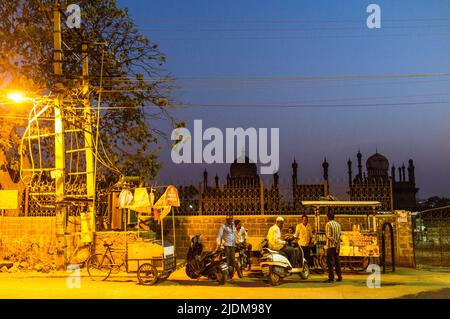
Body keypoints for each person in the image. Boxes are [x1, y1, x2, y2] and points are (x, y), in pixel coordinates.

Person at [324, 212, 343, 283]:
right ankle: (339, 276)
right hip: (337, 246)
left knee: (330, 262)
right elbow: (340, 235)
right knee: (337, 261)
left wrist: (334, 241)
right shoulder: (338, 224)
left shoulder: (328, 224)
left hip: (331, 245)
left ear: (328, 217)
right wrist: (337, 241)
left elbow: (328, 235)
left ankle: (331, 278)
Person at [216, 213, 236, 278]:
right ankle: (226, 275)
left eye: (231, 219)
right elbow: (219, 235)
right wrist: (218, 244)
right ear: (226, 220)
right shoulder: (223, 226)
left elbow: (234, 234)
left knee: (232, 260)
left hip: (232, 245)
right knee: (227, 260)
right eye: (228, 219)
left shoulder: (233, 225)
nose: (230, 220)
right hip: (227, 245)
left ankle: (231, 275)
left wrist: (237, 241)